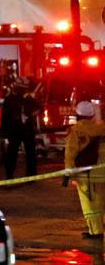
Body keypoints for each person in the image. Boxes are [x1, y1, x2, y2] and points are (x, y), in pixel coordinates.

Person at [65, 101, 105, 239]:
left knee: (90, 206)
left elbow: (70, 154)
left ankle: (95, 232)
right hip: (102, 173)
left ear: (77, 114)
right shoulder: (102, 128)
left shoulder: (76, 131)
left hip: (86, 175)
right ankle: (98, 229)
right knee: (101, 202)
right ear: (92, 115)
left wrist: (68, 174)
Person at [1, 78, 39, 179]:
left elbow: (38, 108)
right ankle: (11, 175)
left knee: (27, 153)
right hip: (16, 128)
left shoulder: (27, 99)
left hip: (23, 128)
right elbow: (5, 116)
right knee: (13, 153)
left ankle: (30, 175)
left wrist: (29, 114)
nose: (23, 91)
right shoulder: (11, 99)